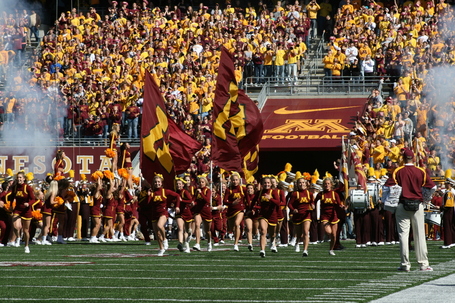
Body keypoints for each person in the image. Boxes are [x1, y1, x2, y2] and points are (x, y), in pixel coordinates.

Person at [392, 149, 433, 271]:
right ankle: (423, 264)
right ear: (413, 158)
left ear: (403, 158)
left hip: (402, 204)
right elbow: (432, 187)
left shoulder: (398, 171)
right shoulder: (420, 171)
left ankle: (405, 264)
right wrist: (426, 200)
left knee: (403, 235)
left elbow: (389, 187)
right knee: (419, 234)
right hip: (417, 205)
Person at [9, 171, 36, 253]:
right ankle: (18, 237)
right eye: (18, 177)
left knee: (26, 230)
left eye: (20, 177)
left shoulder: (27, 187)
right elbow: (12, 196)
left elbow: (33, 199)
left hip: (26, 211)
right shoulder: (15, 187)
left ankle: (26, 246)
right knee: (15, 226)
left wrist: (28, 204)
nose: (19, 179)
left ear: (24, 179)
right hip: (17, 209)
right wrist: (10, 205)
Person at [253, 177, 280, 257]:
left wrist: (270, 198)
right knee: (263, 231)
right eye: (265, 183)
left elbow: (278, 202)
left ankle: (272, 242)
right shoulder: (259, 192)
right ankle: (262, 250)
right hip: (262, 215)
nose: (266, 184)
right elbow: (253, 201)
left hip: (272, 215)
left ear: (271, 184)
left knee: (272, 234)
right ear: (262, 184)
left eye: (268, 183)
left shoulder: (273, 192)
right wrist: (251, 209)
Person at [314, 177, 343, 255]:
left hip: (333, 216)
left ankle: (331, 249)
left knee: (334, 235)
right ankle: (326, 236)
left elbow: (339, 203)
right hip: (324, 216)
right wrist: (312, 206)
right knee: (329, 232)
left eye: (328, 184)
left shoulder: (335, 194)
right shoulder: (320, 194)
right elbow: (314, 202)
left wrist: (341, 206)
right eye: (325, 184)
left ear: (331, 185)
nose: (327, 185)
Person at [288, 177, 314, 256]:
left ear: (306, 184)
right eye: (300, 183)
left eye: (303, 182)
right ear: (297, 184)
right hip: (298, 216)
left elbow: (312, 202)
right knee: (298, 234)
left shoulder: (310, 194)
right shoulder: (295, 194)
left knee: (306, 232)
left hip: (307, 215)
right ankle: (297, 243)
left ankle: (305, 250)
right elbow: (289, 204)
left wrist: (313, 206)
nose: (301, 184)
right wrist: (293, 209)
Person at [223, 172, 246, 251]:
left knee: (237, 224)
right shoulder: (228, 190)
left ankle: (236, 244)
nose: (235, 182)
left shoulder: (243, 189)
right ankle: (236, 237)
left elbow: (248, 199)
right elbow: (224, 201)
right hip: (231, 210)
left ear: (239, 180)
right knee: (232, 228)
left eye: (236, 180)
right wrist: (232, 203)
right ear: (231, 181)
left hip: (240, 210)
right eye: (233, 180)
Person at [441, 178, 455, 249]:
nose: (445, 185)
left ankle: (448, 242)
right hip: (451, 210)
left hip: (449, 210)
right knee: (451, 226)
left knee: (447, 226)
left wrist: (440, 208)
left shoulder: (450, 192)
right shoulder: (451, 191)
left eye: (446, 183)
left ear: (450, 184)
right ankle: (452, 241)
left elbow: (448, 205)